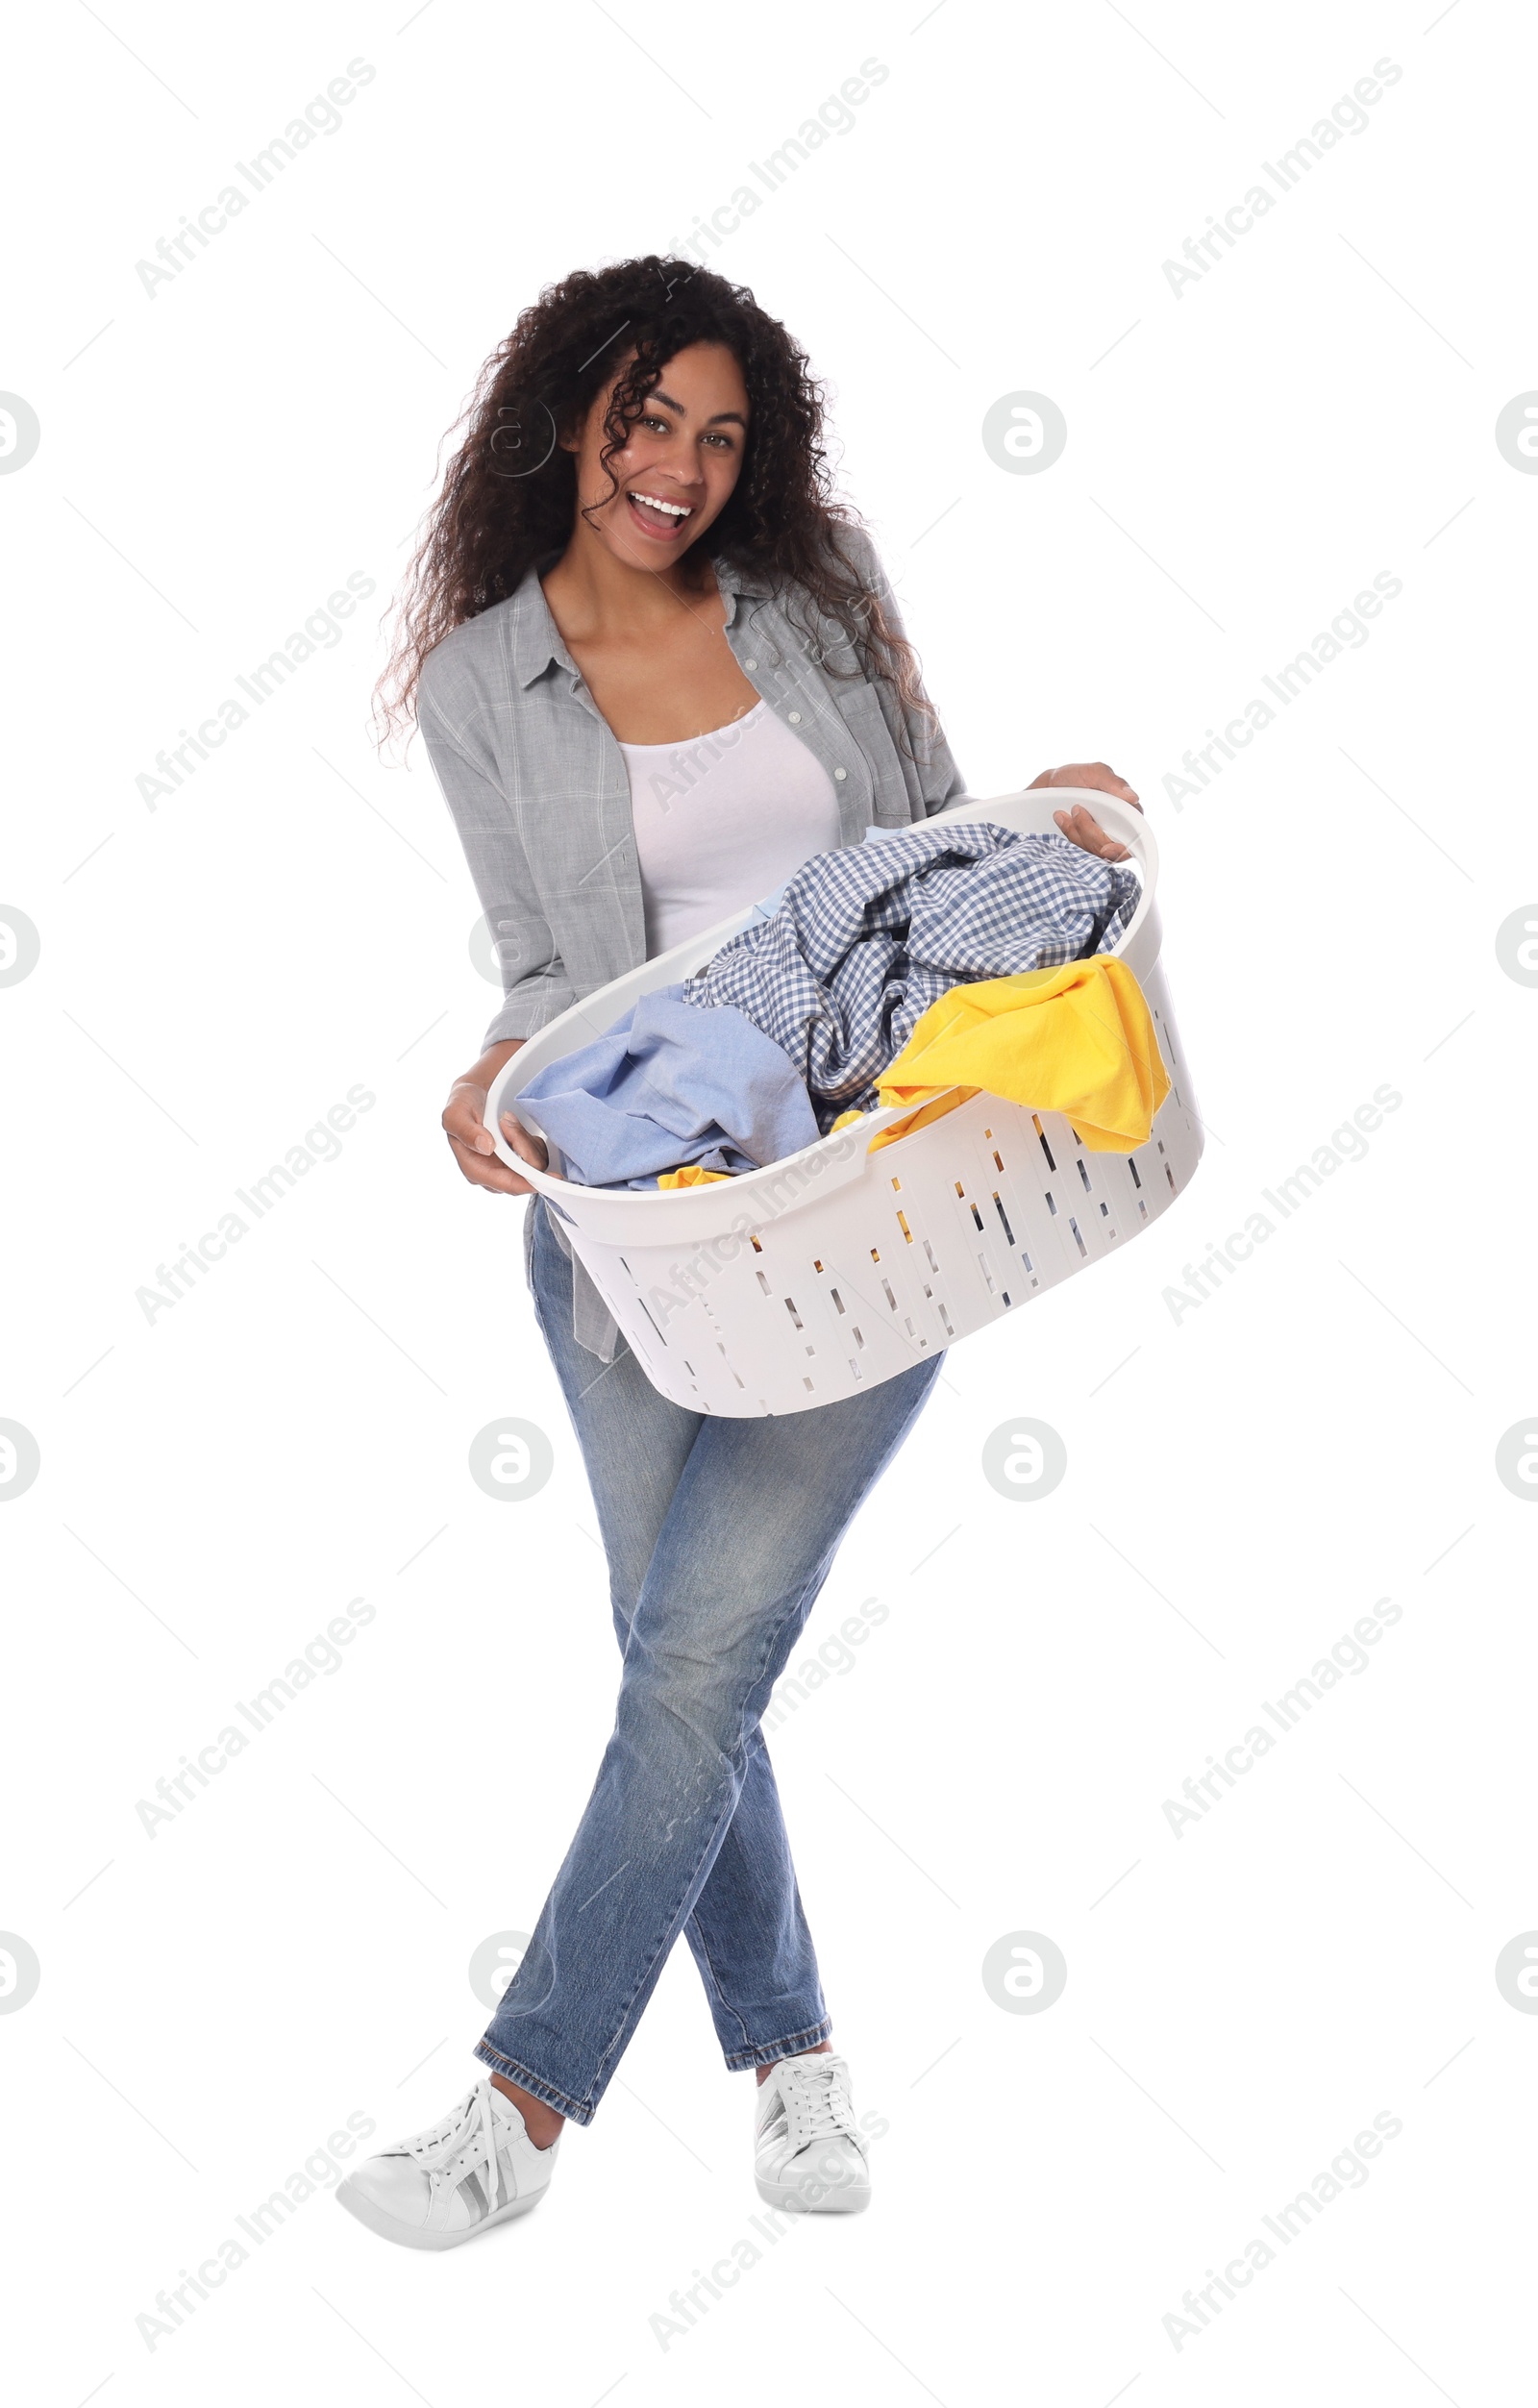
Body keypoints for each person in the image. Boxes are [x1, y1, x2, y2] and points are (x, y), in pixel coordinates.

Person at [337, 257, 1139, 2251]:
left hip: (864, 1204)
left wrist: (1067, 822)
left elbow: (931, 846)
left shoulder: (811, 592)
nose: (677, 467)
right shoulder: (473, 680)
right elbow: (540, 964)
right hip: (637, 1232)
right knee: (680, 1668)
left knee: (695, 1654)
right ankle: (789, 2056)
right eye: (644, 420)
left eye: (716, 431)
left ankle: (516, 2109)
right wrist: (499, 1065)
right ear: (564, 419)